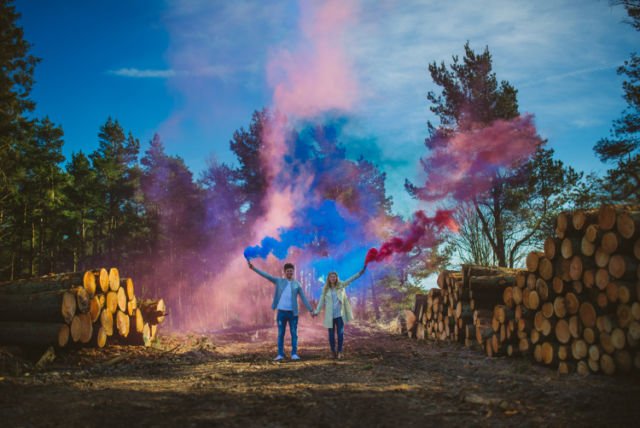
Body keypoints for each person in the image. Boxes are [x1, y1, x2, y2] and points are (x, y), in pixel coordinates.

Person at [248, 260, 314, 361]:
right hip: (281, 312)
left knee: (294, 333)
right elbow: (266, 275)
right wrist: (254, 268)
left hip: (293, 313)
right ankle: (280, 354)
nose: (289, 273)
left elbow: (303, 298)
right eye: (288, 271)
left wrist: (310, 310)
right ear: (284, 272)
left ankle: (294, 354)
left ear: (293, 272)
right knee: (281, 333)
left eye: (291, 271)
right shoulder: (279, 281)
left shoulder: (297, 284)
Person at [313, 265, 366, 359]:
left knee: (340, 334)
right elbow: (321, 302)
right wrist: (316, 311)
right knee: (331, 335)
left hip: (339, 315)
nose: (333, 278)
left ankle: (340, 351)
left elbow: (351, 279)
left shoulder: (341, 285)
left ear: (336, 278)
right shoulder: (325, 290)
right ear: (328, 278)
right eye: (331, 277)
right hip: (330, 316)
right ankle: (333, 351)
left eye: (334, 277)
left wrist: (359, 273)